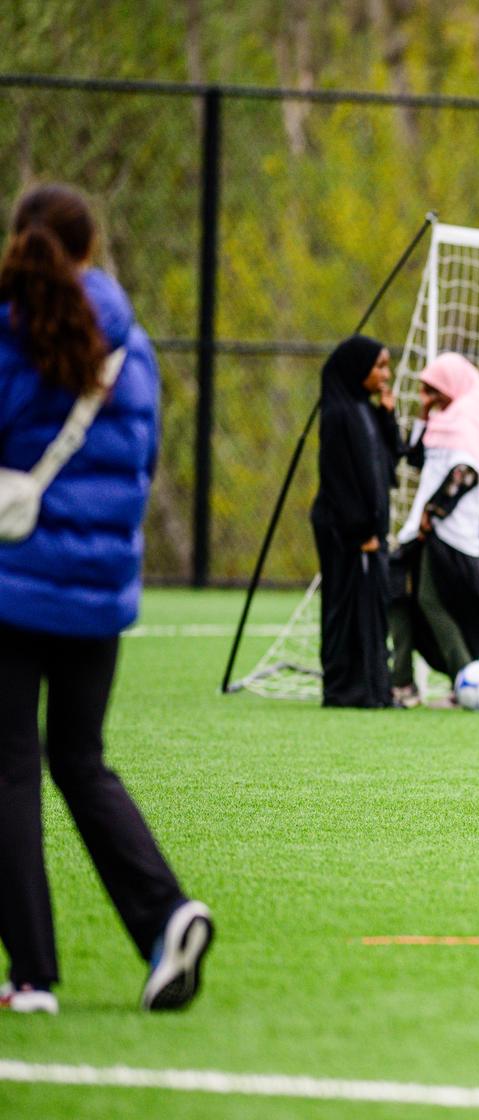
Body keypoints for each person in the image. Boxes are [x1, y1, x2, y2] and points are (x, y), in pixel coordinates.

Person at [0, 183, 212, 1013]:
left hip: (12, 580)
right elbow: (145, 457)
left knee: (11, 767)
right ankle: (166, 914)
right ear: (91, 248)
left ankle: (31, 977)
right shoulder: (134, 344)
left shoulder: (11, 331)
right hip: (99, 591)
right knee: (79, 760)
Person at [389, 353, 479, 708]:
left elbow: (466, 473)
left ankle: (465, 679)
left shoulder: (467, 419)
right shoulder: (442, 421)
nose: (429, 399)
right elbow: (417, 457)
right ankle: (402, 682)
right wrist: (424, 415)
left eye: (433, 391)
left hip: (450, 536)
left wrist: (432, 513)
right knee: (399, 598)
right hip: (423, 533)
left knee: (431, 601)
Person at [311, 335, 398, 708]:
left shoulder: (366, 410)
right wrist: (360, 530)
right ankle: (346, 688)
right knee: (345, 607)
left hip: (370, 532)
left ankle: (375, 687)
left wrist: (388, 414)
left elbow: (391, 460)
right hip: (346, 532)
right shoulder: (338, 414)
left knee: (374, 607)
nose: (385, 374)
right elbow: (338, 478)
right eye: (379, 366)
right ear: (357, 369)